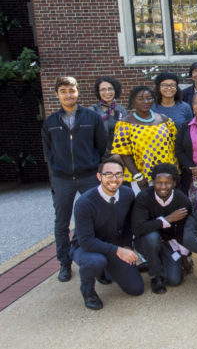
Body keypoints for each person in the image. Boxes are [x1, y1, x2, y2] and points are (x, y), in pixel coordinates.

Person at [42, 76, 107, 283]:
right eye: (63, 91)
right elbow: (48, 154)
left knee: (96, 219)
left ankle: (99, 263)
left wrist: (92, 166)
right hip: (62, 179)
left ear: (78, 92)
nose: (68, 94)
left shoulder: (91, 117)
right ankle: (64, 263)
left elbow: (101, 146)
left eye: (72, 90)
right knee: (61, 223)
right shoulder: (51, 122)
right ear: (57, 94)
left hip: (88, 176)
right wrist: (55, 178)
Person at [70, 156, 143, 309]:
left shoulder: (127, 194)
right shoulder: (84, 203)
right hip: (86, 248)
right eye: (108, 174)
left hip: (114, 245)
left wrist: (126, 246)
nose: (114, 179)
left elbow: (128, 225)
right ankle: (88, 291)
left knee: (136, 289)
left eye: (118, 174)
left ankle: (105, 272)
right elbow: (86, 241)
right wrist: (118, 251)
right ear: (99, 177)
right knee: (96, 261)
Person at [131, 162, 191, 294]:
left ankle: (155, 262)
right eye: (159, 182)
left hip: (169, 243)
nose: (163, 187)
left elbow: (183, 230)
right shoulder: (144, 197)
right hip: (146, 241)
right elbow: (137, 228)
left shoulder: (183, 201)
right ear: (153, 182)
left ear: (174, 183)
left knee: (174, 280)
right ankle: (155, 276)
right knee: (152, 237)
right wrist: (167, 220)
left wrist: (184, 258)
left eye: (167, 182)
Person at [111, 85, 177, 188]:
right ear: (133, 101)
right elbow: (123, 153)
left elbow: (175, 145)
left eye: (149, 98)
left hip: (167, 176)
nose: (145, 102)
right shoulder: (124, 124)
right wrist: (138, 176)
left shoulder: (164, 120)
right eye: (140, 99)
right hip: (141, 177)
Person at [91, 76, 127, 152]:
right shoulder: (92, 111)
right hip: (101, 155)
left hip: (121, 153)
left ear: (115, 90)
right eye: (103, 90)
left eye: (110, 89)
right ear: (98, 92)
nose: (107, 92)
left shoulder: (121, 110)